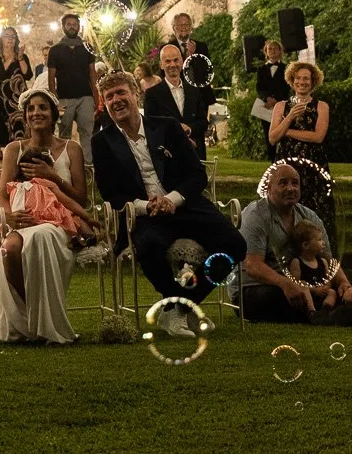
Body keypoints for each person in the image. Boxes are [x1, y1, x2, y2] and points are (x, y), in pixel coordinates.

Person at [92, 71, 245, 337]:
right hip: (143, 215)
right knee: (151, 245)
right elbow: (110, 193)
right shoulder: (102, 142)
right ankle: (180, 306)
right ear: (104, 104)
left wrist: (172, 200)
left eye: (121, 92)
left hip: (186, 206)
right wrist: (145, 206)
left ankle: (179, 308)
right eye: (109, 96)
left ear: (135, 94)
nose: (116, 100)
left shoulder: (166, 126)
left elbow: (197, 175)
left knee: (235, 244)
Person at [0, 91, 88, 346]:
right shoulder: (14, 149)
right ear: (25, 116)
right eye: (31, 109)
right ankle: (27, 321)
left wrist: (52, 175)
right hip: (22, 219)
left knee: (42, 236)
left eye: (43, 107)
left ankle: (47, 325)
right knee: (9, 249)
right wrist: (9, 216)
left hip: (57, 222)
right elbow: (2, 195)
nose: (36, 113)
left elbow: (81, 199)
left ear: (54, 114)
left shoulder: (71, 148)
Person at [238, 163, 334, 322]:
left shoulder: (308, 216)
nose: (290, 188)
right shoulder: (256, 215)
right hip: (256, 288)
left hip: (303, 284)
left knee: (339, 292)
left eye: (295, 183)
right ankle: (323, 313)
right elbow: (252, 266)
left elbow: (328, 258)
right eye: (283, 183)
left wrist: (345, 285)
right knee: (274, 297)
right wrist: (285, 284)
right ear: (268, 187)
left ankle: (321, 311)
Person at [267, 61, 334, 240]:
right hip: (286, 164)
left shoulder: (321, 106)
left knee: (316, 209)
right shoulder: (281, 106)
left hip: (313, 166)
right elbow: (273, 138)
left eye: (306, 78)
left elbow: (318, 136)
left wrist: (286, 131)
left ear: (313, 82)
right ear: (292, 80)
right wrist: (290, 117)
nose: (302, 82)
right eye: (298, 78)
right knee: (285, 209)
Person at [144, 43, 214, 158]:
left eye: (176, 60)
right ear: (161, 65)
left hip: (195, 155)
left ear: (182, 62)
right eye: (167, 61)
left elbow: (203, 123)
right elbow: (152, 127)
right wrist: (179, 137)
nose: (172, 64)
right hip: (169, 158)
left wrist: (189, 129)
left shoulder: (195, 91)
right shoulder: (152, 95)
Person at [0, 27, 32, 170]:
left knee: (19, 134)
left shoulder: (22, 56)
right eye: (6, 36)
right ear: (1, 39)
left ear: (16, 39)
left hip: (17, 102)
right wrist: (11, 59)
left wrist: (20, 57)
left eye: (13, 36)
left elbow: (27, 74)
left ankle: (19, 168)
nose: (10, 39)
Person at [47, 13, 97, 143]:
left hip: (85, 97)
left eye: (75, 25)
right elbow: (51, 78)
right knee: (64, 135)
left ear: (79, 27)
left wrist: (97, 97)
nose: (72, 27)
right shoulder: (55, 50)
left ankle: (88, 163)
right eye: (68, 24)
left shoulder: (87, 47)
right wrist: (54, 100)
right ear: (63, 27)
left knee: (87, 133)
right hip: (64, 99)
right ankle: (65, 163)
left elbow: (92, 74)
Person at [287, 220, 341, 315]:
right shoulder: (297, 262)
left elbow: (327, 281)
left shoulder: (323, 262)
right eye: (319, 240)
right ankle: (312, 312)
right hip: (308, 296)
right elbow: (296, 284)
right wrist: (315, 290)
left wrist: (325, 287)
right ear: (306, 245)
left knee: (332, 292)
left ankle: (326, 310)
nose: (323, 243)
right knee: (303, 284)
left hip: (322, 294)